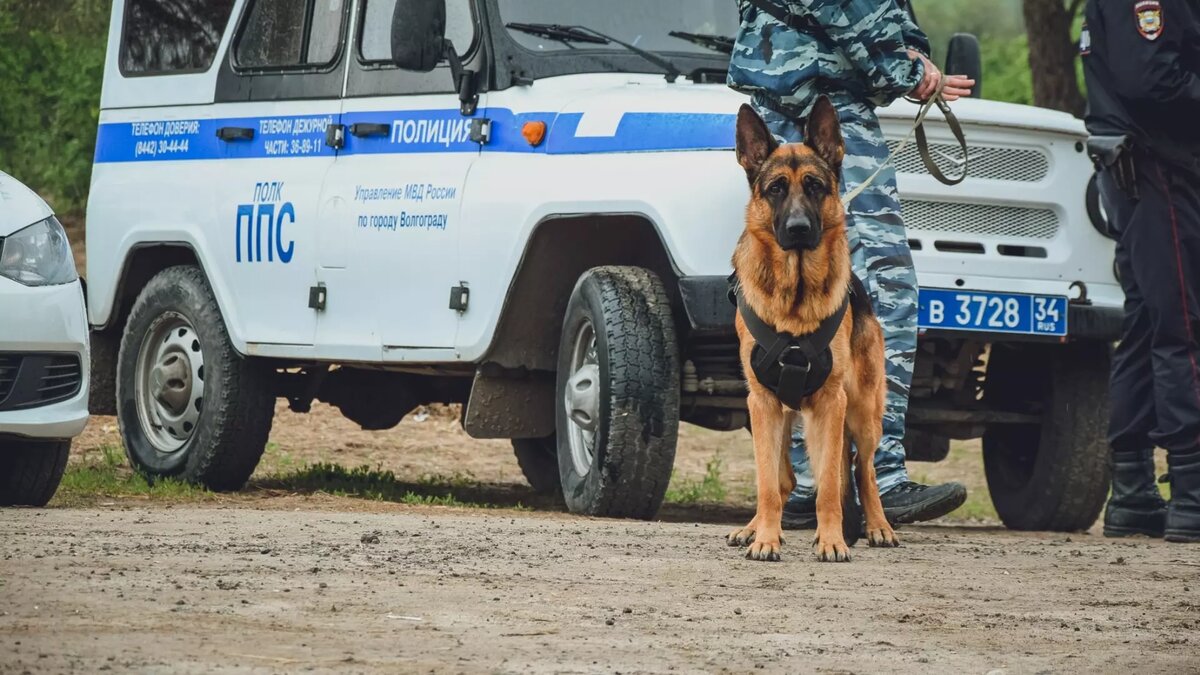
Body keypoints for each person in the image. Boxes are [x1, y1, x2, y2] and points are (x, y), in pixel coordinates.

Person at [727, 0, 975, 528]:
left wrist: (913, 50)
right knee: (881, 289)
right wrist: (910, 69)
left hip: (782, 81)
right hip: (822, 91)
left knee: (789, 297)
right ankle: (874, 480)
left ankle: (807, 484)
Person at [1082, 0, 1200, 542]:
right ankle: (1192, 491)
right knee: (1183, 326)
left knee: (1150, 323)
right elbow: (1152, 78)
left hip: (1140, 165)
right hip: (1161, 167)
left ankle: (1133, 491)